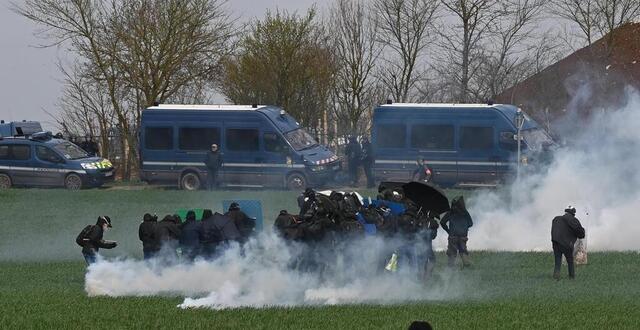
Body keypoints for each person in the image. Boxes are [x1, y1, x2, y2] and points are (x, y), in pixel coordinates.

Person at [551, 206, 585, 280]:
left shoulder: (556, 219)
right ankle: (571, 277)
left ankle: (556, 276)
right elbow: (580, 232)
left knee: (557, 260)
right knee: (570, 261)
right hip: (566, 244)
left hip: (555, 242)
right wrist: (582, 233)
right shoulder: (573, 220)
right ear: (573, 213)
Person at [441, 196, 473, 268]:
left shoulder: (450, 212)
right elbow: (471, 223)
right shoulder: (465, 212)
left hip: (453, 236)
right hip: (463, 236)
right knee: (463, 251)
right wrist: (464, 228)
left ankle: (450, 268)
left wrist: (448, 231)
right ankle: (466, 265)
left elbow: (442, 222)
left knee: (452, 252)